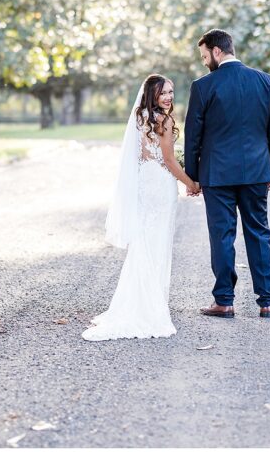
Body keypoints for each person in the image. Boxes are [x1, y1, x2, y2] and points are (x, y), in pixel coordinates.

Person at [82, 74, 200, 342]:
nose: (169, 97)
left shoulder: (141, 118)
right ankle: (150, 306)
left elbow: (143, 156)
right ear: (152, 96)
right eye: (163, 93)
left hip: (145, 183)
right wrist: (191, 182)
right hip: (159, 185)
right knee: (156, 242)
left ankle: (141, 299)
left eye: (171, 92)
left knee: (145, 243)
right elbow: (169, 161)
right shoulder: (165, 121)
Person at [185, 29, 270, 319]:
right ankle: (267, 302)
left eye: (205, 56)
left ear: (217, 52)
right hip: (256, 171)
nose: (204, 62)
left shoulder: (203, 86)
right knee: (259, 233)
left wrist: (193, 176)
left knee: (222, 236)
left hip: (217, 174)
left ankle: (224, 301)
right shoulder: (264, 81)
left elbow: (194, 135)